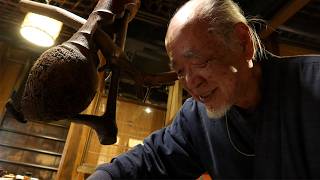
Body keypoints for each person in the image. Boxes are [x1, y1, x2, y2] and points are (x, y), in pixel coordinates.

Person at [88, 0, 320, 179]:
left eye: (199, 62)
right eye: (180, 71)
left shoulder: (314, 83)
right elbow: (150, 160)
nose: (191, 83)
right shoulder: (196, 119)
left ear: (243, 42)